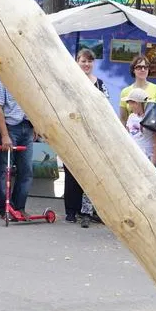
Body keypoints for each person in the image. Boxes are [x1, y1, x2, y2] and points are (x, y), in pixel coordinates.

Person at [64, 49, 107, 227]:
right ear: (77, 62)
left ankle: (86, 211)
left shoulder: (100, 83)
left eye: (89, 61)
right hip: (73, 132)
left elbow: (105, 106)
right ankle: (71, 211)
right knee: (71, 173)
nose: (86, 64)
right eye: (83, 61)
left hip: (93, 134)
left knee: (90, 173)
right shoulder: (69, 82)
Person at [0, 75, 34, 218]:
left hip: (26, 126)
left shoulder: (28, 77)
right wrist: (4, 135)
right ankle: (6, 209)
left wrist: (36, 126)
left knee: (26, 170)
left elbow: (34, 103)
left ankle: (19, 207)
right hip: (8, 126)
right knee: (5, 171)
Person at [118, 55, 156, 126]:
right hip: (131, 134)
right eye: (139, 67)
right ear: (133, 70)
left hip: (151, 133)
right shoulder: (125, 91)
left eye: (145, 67)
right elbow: (123, 118)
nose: (143, 69)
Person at [124, 88, 156, 164]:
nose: (129, 106)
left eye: (131, 103)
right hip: (131, 155)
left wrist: (154, 163)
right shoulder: (131, 116)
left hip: (146, 157)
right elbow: (127, 134)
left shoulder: (151, 118)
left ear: (137, 103)